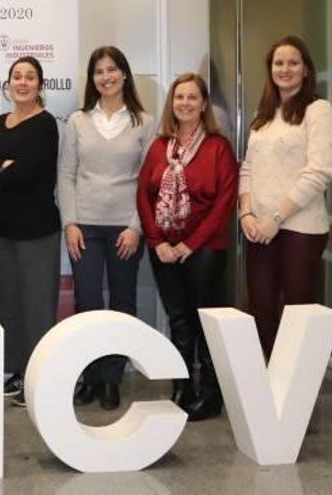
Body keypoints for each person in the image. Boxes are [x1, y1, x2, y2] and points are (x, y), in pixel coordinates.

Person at [57, 46, 155, 410]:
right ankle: (92, 376)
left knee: (122, 302)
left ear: (124, 74)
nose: (106, 77)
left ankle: (113, 378)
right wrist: (70, 222)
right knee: (87, 302)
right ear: (92, 78)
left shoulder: (144, 121)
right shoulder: (78, 121)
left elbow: (148, 181)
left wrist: (136, 227)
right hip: (84, 226)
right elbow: (65, 176)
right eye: (99, 71)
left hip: (125, 228)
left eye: (112, 70)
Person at [137, 73, 237, 421]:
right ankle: (182, 386)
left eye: (192, 97)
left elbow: (224, 203)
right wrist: (158, 241)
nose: (185, 103)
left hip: (205, 248)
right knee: (179, 319)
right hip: (164, 247)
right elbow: (143, 196)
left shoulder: (217, 147)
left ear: (204, 104)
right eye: (179, 97)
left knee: (205, 320)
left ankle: (211, 392)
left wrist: (190, 245)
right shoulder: (158, 147)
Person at [239, 35, 332, 359]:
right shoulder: (262, 115)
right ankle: (269, 386)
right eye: (279, 63)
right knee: (261, 307)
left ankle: (297, 393)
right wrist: (246, 215)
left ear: (306, 69)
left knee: (297, 313)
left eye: (293, 62)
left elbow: (319, 172)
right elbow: (247, 168)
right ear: (270, 69)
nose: (285, 69)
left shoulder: (318, 110)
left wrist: (276, 218)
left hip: (300, 228)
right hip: (259, 229)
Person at [0, 56, 60, 408]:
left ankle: (40, 375)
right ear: (9, 83)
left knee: (37, 305)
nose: (23, 82)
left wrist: (2, 168)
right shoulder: (0, 122)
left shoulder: (45, 125)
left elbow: (27, 172)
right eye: (17, 76)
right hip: (4, 228)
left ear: (40, 85)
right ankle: (17, 372)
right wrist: (1, 166)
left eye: (30, 77)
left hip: (38, 230)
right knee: (8, 304)